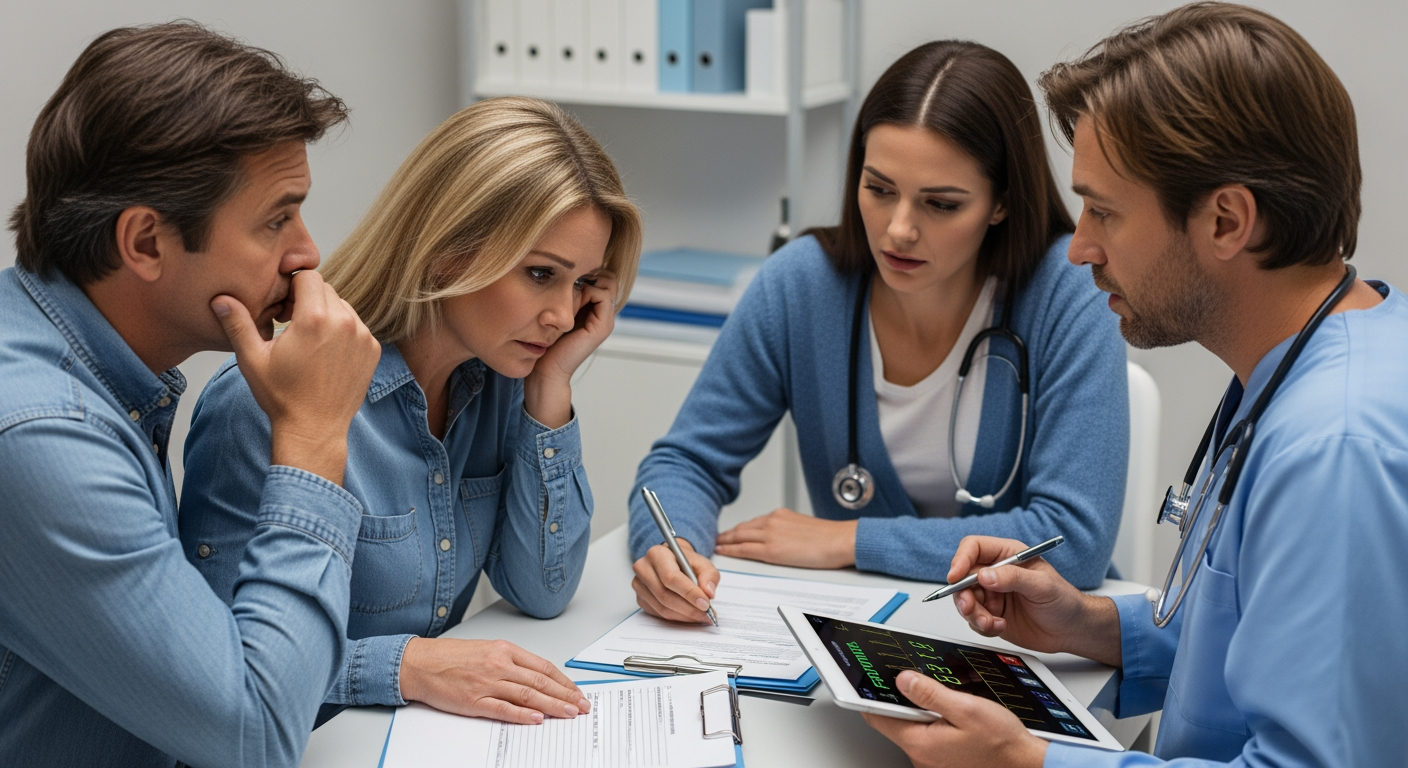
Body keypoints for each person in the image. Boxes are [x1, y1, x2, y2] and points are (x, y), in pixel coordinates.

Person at [865, 4, 1408, 766]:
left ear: (1226, 221)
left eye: (1105, 212)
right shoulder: (1318, 356)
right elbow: (1266, 633)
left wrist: (1027, 763)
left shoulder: (1335, 451)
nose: (1081, 246)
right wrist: (1089, 624)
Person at [629, 40, 1129, 624]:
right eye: (879, 189)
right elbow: (685, 464)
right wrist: (672, 549)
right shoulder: (802, 284)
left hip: (1027, 639)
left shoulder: (1067, 292)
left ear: (1001, 203)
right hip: (861, 629)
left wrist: (850, 540)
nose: (898, 230)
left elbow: (1071, 542)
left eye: (940, 204)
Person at [179, 96, 643, 726]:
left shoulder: (508, 374)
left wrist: (552, 385)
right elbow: (220, 669)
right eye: (541, 274)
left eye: (584, 283)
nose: (564, 315)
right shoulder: (261, 400)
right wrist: (410, 666)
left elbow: (541, 590)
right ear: (449, 248)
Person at [0, 23, 381, 767]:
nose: (307, 254)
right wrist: (312, 437)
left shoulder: (74, 358)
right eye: (276, 220)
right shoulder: (42, 435)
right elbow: (254, 734)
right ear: (145, 243)